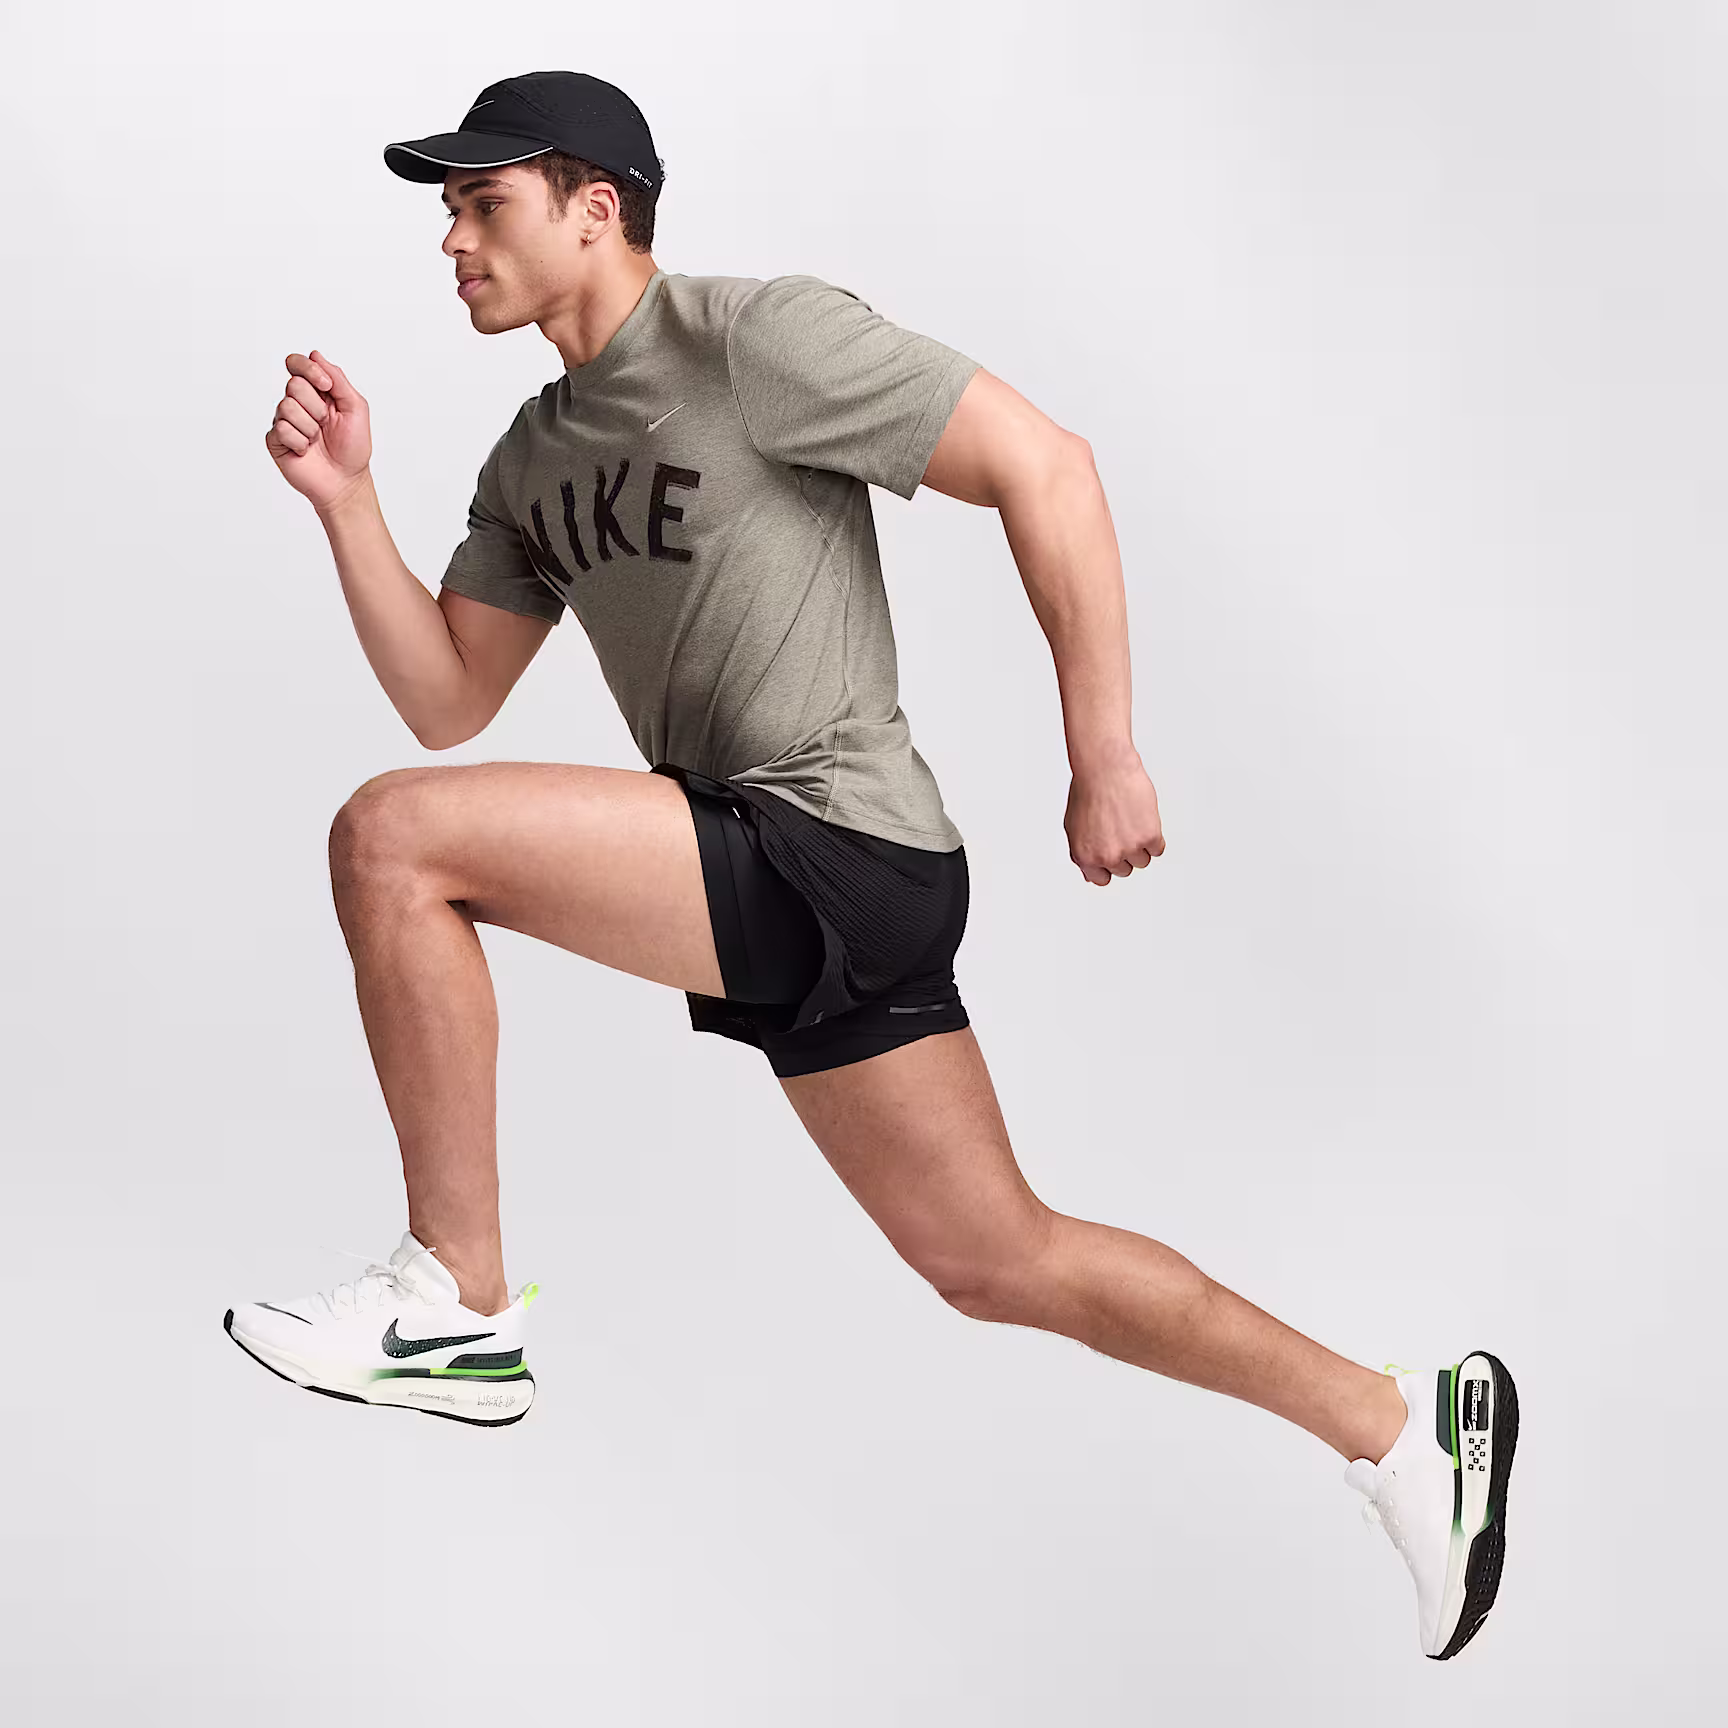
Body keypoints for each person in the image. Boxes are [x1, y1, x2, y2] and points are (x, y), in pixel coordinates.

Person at [231, 70, 1518, 1660]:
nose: (452, 239)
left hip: (835, 837)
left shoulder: (753, 340)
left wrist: (1103, 747)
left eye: (483, 204)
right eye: (447, 210)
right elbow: (448, 694)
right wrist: (348, 504)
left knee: (391, 838)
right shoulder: (530, 464)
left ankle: (458, 1299)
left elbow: (1047, 466)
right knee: (997, 1258)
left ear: (596, 208)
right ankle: (1400, 1427)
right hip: (766, 864)